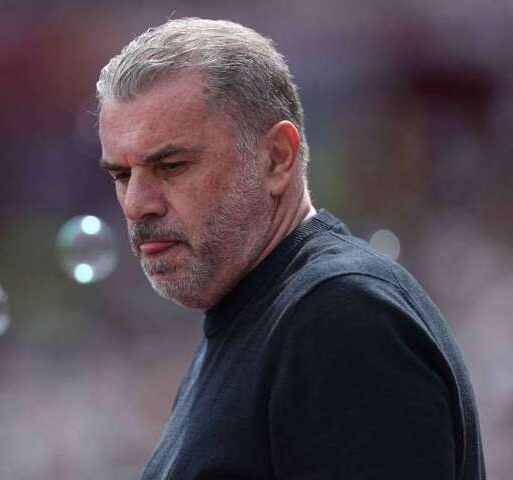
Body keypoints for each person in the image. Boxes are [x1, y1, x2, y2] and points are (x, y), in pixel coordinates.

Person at [96, 18, 486, 480]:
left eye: (173, 166)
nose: (136, 204)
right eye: (122, 175)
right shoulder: (264, 318)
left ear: (277, 158)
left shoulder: (340, 318)